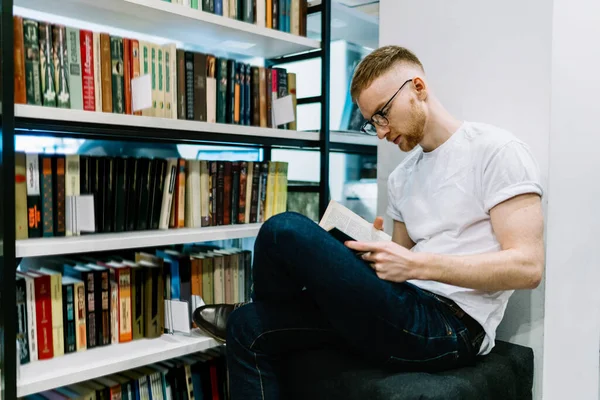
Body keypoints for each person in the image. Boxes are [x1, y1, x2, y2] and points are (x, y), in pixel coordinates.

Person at [193, 45, 545, 399]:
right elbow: (399, 261)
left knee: (282, 229)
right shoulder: (403, 177)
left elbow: (527, 267)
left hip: (454, 327)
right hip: (405, 305)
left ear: (418, 89)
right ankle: (263, 310)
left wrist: (415, 264)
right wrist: (372, 249)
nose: (380, 132)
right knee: (248, 326)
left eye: (383, 114)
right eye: (373, 122)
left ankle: (269, 305)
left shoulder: (496, 151)